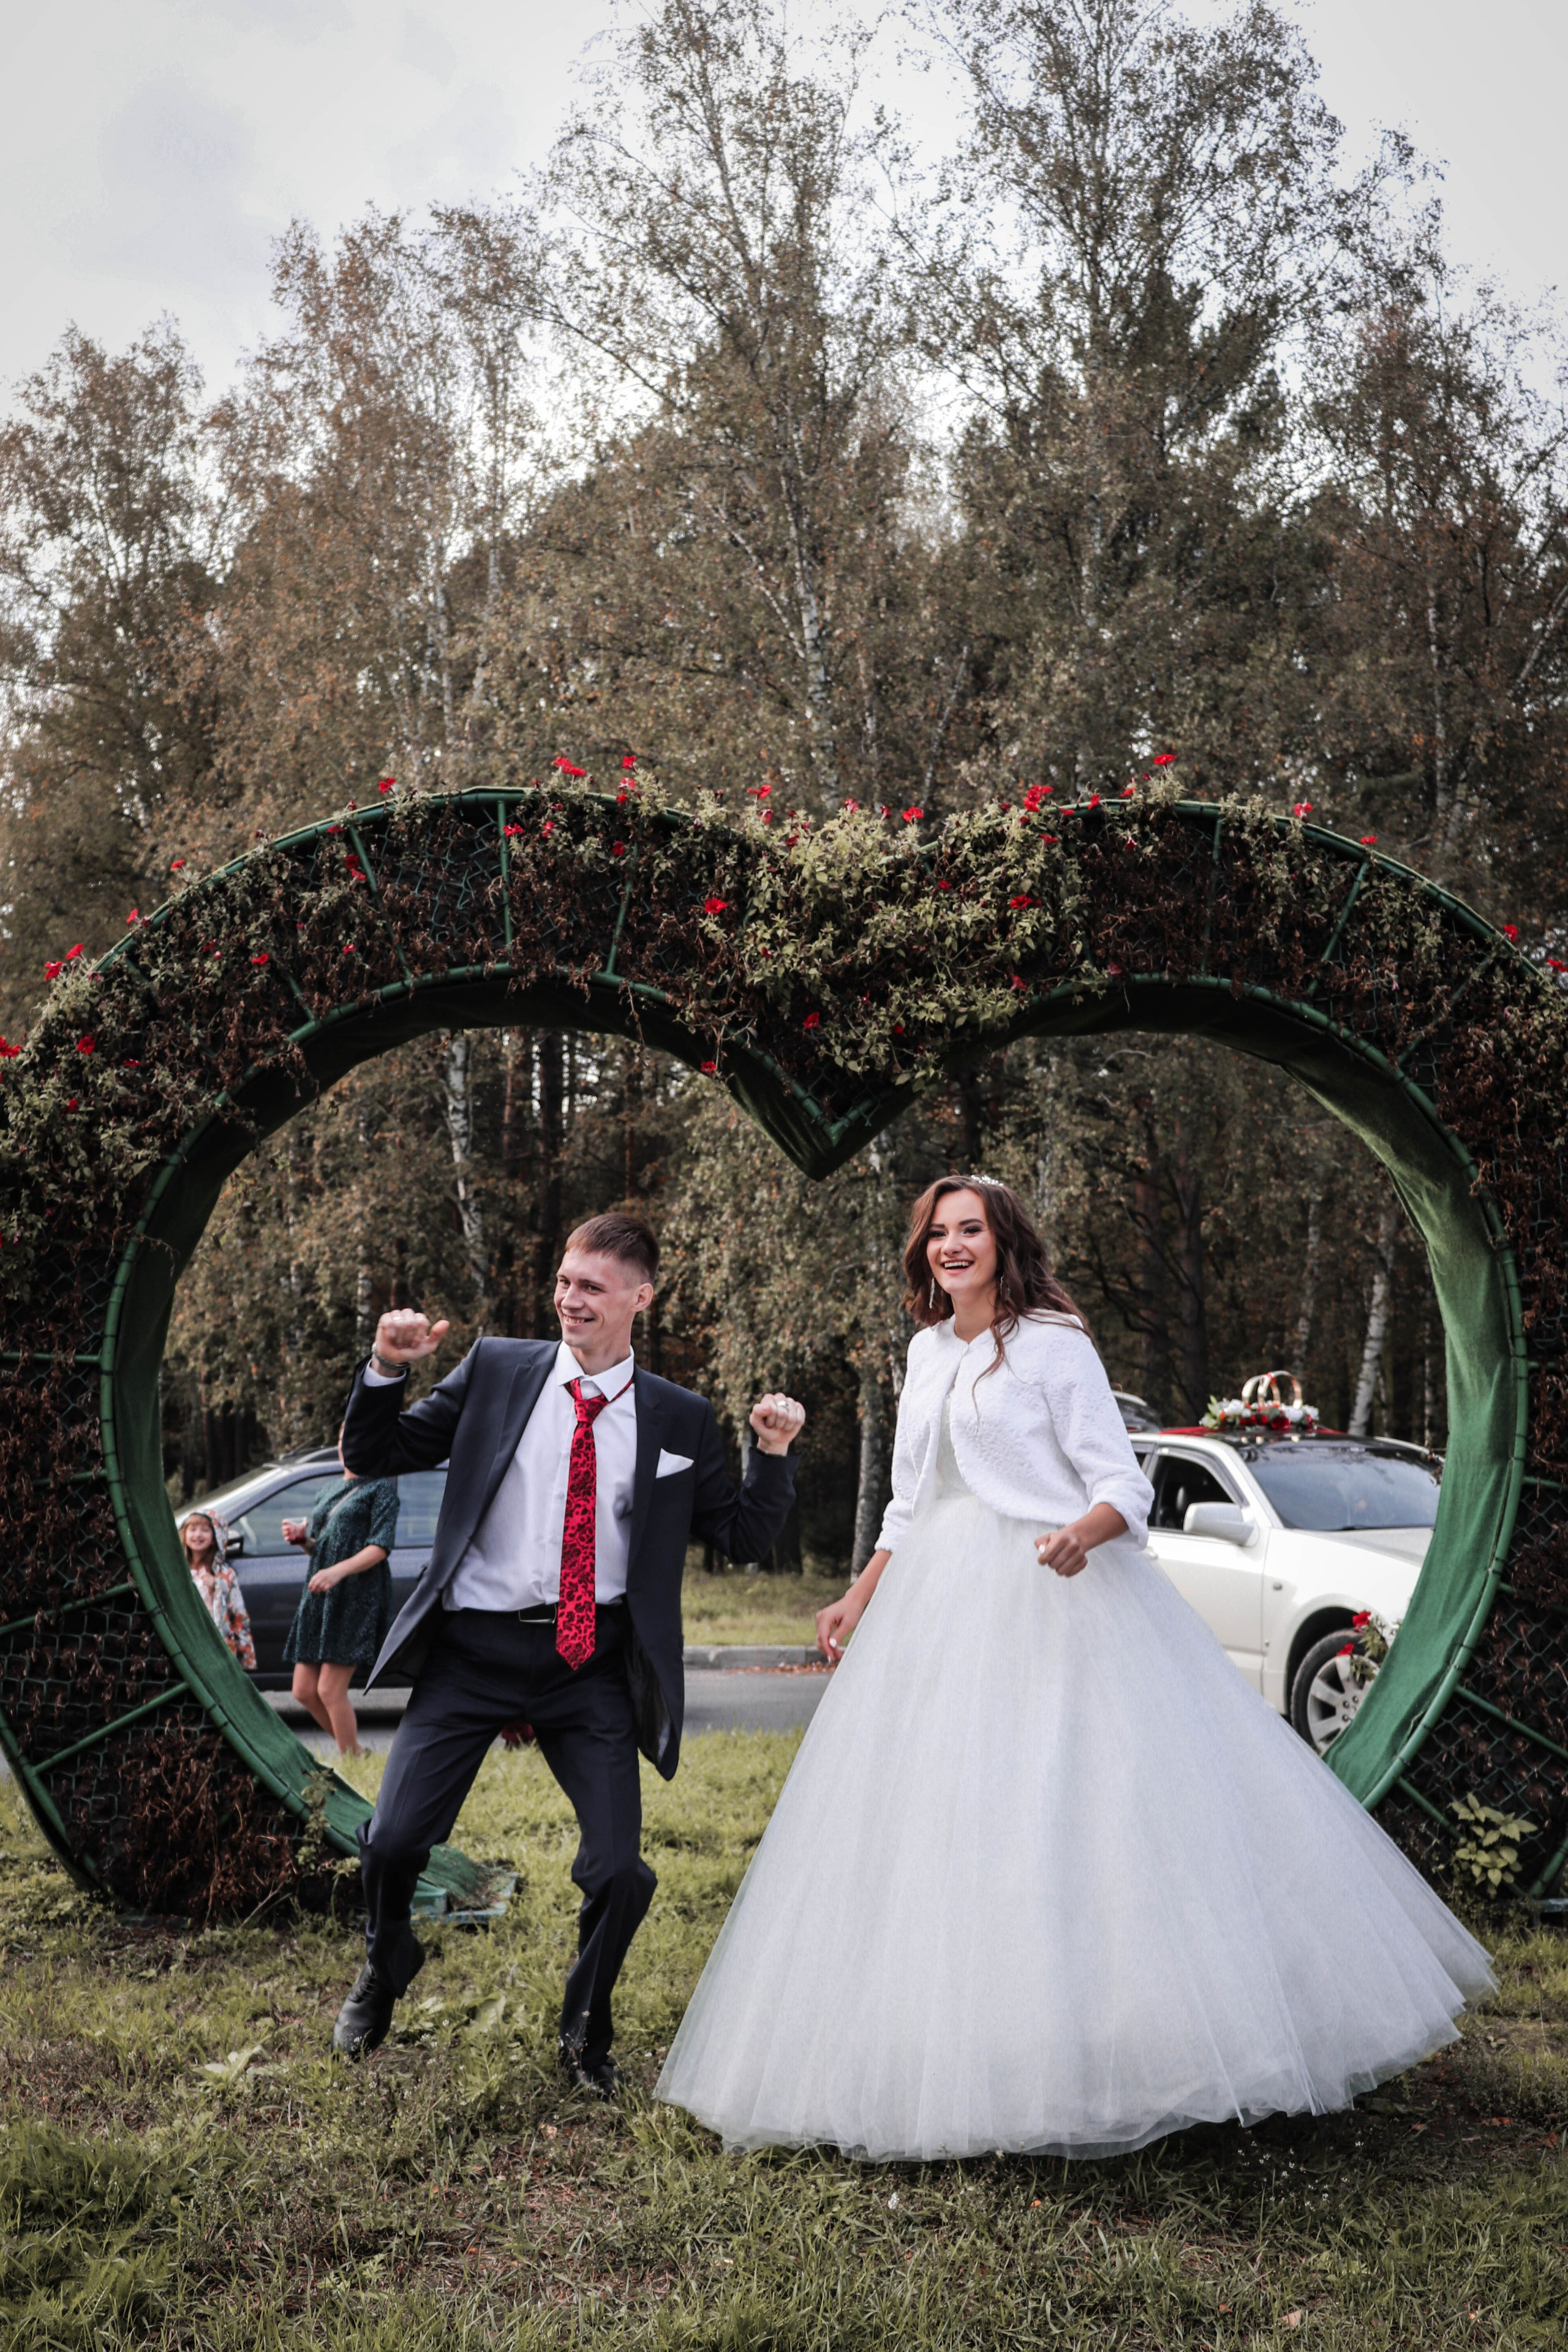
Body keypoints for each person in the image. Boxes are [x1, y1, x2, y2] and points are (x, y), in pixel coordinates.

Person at [656, 1175, 1493, 2162]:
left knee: (1075, 1814)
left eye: (971, 1230)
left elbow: (1122, 1488)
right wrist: (859, 1594)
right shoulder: (926, 1351)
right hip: (936, 1606)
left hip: (1058, 1596)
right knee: (934, 1821)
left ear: (1004, 1244)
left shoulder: (1055, 1345)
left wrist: (1079, 1538)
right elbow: (911, 1502)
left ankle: (1124, 2049)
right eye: (938, 1232)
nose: (952, 1245)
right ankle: (955, 2049)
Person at [330, 1210, 805, 2091]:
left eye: (591, 1286)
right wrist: (387, 1368)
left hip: (588, 1666)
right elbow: (374, 1451)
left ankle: (585, 2033)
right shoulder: (496, 1370)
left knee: (619, 1871)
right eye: (562, 1281)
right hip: (471, 1654)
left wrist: (771, 1454)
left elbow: (740, 1537)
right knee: (391, 1843)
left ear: (640, 1298)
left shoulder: (678, 1416)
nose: (569, 1299)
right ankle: (384, 1960)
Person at [279, 1438, 399, 1758]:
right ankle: (357, 1752)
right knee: (304, 1691)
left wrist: (337, 1572)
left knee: (330, 1690)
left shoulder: (381, 1490)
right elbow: (324, 1546)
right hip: (321, 1595)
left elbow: (380, 1547)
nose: (349, 1446)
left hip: (356, 1596)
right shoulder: (328, 1490)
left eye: (357, 1439)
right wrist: (304, 1541)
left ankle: (352, 1760)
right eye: (344, 1440)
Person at [181, 1511, 256, 1670]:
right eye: (192, 1529)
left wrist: (217, 1587)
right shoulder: (179, 1570)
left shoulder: (225, 1575)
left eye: (205, 1530)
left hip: (215, 1644)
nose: (198, 1535)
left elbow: (239, 1615)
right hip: (185, 1640)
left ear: (216, 1537)